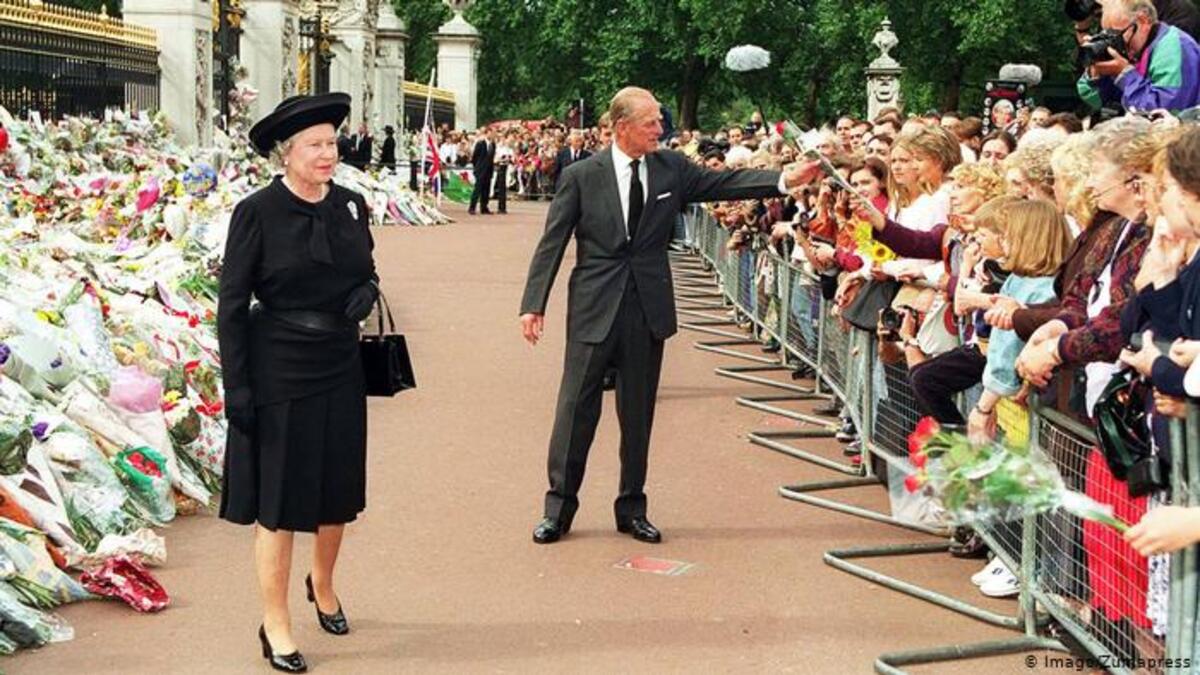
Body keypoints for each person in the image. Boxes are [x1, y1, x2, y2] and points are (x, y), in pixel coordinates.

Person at [518, 86, 815, 545]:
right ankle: (558, 509)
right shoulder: (581, 175)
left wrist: (785, 179)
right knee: (575, 410)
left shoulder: (671, 168)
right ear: (622, 127)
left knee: (637, 415)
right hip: (594, 308)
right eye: (652, 122)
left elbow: (723, 184)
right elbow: (552, 242)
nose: (662, 129)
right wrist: (533, 304)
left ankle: (632, 508)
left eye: (661, 120)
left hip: (646, 309)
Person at [221, 93, 379, 673]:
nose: (327, 154)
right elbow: (232, 305)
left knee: (337, 491)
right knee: (281, 503)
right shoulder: (256, 213)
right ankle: (276, 622)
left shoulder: (352, 206)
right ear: (285, 154)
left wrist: (364, 294)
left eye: (332, 143)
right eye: (314, 145)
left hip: (340, 362)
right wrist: (237, 388)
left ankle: (324, 583)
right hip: (278, 366)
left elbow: (367, 269)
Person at [1077, 0, 1200, 113]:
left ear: (1143, 20)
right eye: (1107, 35)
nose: (1115, 43)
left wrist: (1125, 75)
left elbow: (1162, 113)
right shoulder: (1140, 48)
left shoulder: (1173, 47)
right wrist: (1099, 77)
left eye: (1116, 35)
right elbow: (1104, 102)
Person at [469, 128, 496, 215]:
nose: (493, 135)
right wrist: (477, 167)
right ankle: (472, 207)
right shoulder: (480, 143)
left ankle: (484, 207)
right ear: (487, 133)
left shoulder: (493, 144)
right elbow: (475, 157)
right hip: (480, 169)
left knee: (486, 189)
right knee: (477, 189)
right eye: (491, 133)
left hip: (488, 170)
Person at [494, 132, 513, 214]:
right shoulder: (498, 148)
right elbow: (495, 159)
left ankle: (503, 207)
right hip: (501, 167)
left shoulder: (509, 149)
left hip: (507, 167)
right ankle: (500, 207)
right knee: (501, 187)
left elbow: (512, 158)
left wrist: (509, 159)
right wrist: (501, 159)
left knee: (504, 188)